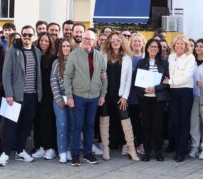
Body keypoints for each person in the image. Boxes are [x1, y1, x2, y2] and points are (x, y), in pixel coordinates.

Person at [0, 25, 43, 166]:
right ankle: (5, 154)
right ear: (21, 35)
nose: (27, 37)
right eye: (25, 34)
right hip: (16, 96)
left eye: (30, 35)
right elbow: (6, 74)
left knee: (26, 125)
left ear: (34, 36)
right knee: (10, 126)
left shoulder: (37, 52)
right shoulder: (13, 50)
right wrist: (9, 94)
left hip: (32, 95)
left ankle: (20, 151)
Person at [64, 29, 107, 166]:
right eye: (86, 39)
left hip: (94, 97)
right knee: (77, 126)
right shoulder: (74, 55)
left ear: (95, 41)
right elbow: (67, 77)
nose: (88, 41)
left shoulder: (100, 56)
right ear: (82, 39)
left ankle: (88, 153)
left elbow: (104, 76)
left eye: (91, 39)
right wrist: (69, 97)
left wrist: (102, 95)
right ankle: (75, 154)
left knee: (89, 125)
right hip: (78, 96)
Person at [104, 33, 139, 162]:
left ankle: (132, 149)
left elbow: (129, 80)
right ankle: (106, 149)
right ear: (109, 42)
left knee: (125, 120)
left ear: (122, 42)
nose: (115, 42)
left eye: (118, 40)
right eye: (113, 40)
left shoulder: (127, 58)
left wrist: (125, 97)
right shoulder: (103, 56)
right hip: (105, 94)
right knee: (105, 122)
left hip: (120, 96)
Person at [133, 39, 169, 162]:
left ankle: (158, 151)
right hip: (144, 98)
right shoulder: (141, 63)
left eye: (156, 47)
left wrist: (156, 88)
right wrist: (144, 89)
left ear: (159, 49)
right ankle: (147, 151)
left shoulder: (164, 63)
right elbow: (136, 81)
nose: (153, 49)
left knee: (158, 125)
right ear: (147, 48)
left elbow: (166, 82)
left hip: (158, 99)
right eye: (151, 46)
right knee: (146, 125)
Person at [166, 35, 196, 162]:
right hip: (173, 91)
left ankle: (181, 152)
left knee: (184, 121)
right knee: (174, 121)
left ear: (186, 46)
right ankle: (177, 147)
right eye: (177, 43)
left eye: (182, 44)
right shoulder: (171, 57)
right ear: (174, 45)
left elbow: (187, 77)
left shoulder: (190, 58)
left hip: (185, 91)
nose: (179, 46)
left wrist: (170, 81)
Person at [31, 33, 57, 160]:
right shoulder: (35, 55)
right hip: (36, 93)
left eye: (46, 41)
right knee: (37, 121)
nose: (44, 43)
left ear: (50, 43)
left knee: (47, 121)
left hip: (48, 94)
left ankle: (50, 148)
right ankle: (40, 146)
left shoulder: (53, 58)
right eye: (42, 40)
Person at [50, 38, 75, 163]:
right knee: (62, 125)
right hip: (59, 98)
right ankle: (62, 151)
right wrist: (59, 100)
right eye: (64, 46)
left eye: (68, 46)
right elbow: (53, 81)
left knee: (71, 125)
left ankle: (69, 150)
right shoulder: (56, 63)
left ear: (72, 48)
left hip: (73, 99)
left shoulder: (76, 62)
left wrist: (72, 98)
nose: (66, 48)